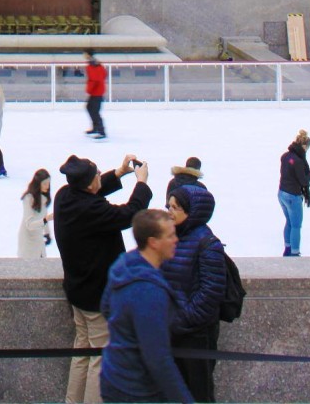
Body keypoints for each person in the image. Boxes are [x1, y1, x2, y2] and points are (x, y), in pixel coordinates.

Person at [53, 152, 153, 404]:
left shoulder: (65, 196)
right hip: (97, 298)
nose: (100, 176)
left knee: (83, 352)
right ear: (89, 184)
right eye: (97, 174)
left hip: (77, 291)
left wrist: (118, 173)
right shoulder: (92, 209)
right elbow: (130, 214)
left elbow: (92, 195)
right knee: (100, 359)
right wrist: (142, 183)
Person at [99, 210, 192, 404]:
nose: (176, 240)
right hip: (137, 390)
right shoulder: (149, 292)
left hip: (114, 374)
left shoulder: (124, 264)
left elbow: (106, 308)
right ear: (153, 242)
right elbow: (158, 358)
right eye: (170, 235)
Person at [162, 186, 226, 403]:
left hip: (196, 336)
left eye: (176, 207)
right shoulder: (169, 237)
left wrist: (179, 321)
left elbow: (210, 294)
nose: (169, 211)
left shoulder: (208, 244)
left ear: (193, 211)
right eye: (168, 206)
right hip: (171, 331)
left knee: (198, 394)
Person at [279, 128, 310, 256]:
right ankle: (295, 253)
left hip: (282, 193)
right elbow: (304, 181)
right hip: (293, 196)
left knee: (289, 222)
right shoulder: (299, 161)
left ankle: (288, 249)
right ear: (305, 146)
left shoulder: (285, 156)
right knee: (296, 225)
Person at [17, 168, 53, 258]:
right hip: (28, 238)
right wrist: (45, 219)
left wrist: (47, 233)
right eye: (45, 184)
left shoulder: (43, 198)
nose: (47, 186)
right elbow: (29, 224)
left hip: (38, 236)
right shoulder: (29, 198)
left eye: (48, 183)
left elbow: (44, 215)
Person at [84, 51, 107, 140]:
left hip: (96, 92)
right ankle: (96, 128)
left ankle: (101, 131)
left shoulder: (92, 66)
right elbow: (103, 75)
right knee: (90, 108)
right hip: (97, 91)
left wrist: (89, 89)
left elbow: (94, 79)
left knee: (94, 111)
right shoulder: (97, 65)